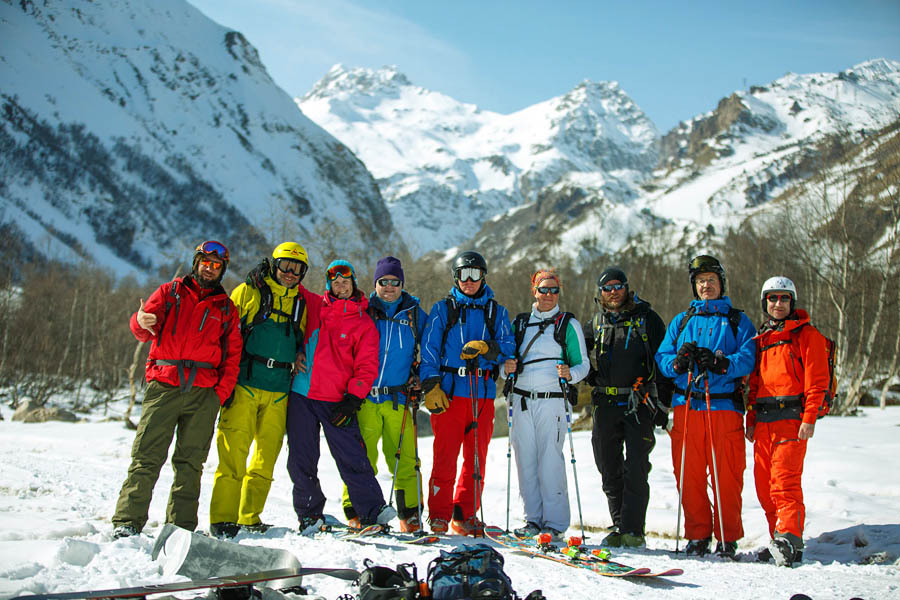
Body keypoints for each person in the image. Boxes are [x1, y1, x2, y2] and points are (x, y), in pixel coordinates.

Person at [111, 241, 242, 538]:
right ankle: (127, 522)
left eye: (216, 265)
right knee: (146, 456)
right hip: (165, 386)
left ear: (222, 270)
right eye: (205, 263)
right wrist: (139, 320)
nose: (209, 269)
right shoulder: (170, 293)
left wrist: (218, 395)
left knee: (190, 464)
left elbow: (233, 355)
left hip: (203, 393)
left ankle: (180, 528)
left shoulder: (226, 308)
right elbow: (143, 330)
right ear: (196, 263)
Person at [208, 242, 317, 538]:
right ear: (274, 264)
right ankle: (222, 519)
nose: (291, 273)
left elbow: (300, 337)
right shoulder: (249, 291)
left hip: (280, 389)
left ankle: (249, 517)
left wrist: (298, 354)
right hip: (246, 383)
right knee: (233, 456)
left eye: (298, 268)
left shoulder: (300, 303)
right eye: (286, 266)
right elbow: (226, 334)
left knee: (265, 460)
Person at [654, 255, 756, 558]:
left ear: (721, 284)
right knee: (688, 473)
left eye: (711, 280)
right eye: (701, 282)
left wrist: (723, 363)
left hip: (723, 406)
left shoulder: (738, 320)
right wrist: (678, 362)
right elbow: (663, 358)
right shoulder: (681, 320)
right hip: (687, 405)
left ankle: (727, 537)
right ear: (694, 287)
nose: (706, 286)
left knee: (727, 473)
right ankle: (697, 534)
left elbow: (750, 357)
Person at [286, 259, 395, 534]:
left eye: (345, 281)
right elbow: (285, 285)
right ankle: (310, 514)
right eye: (335, 282)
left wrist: (353, 398)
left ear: (354, 283)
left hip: (338, 400)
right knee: (302, 458)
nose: (341, 285)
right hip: (302, 394)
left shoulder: (364, 322)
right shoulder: (314, 305)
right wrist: (296, 350)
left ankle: (371, 511)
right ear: (328, 285)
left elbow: (367, 365)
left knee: (352, 456)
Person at [420, 251, 515, 536]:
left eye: (475, 274)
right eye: (464, 275)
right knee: (445, 456)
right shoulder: (443, 310)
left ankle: (465, 514)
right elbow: (429, 350)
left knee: (476, 458)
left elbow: (509, 346)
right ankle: (438, 514)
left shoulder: (496, 312)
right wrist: (431, 385)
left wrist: (489, 348)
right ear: (456, 277)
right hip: (449, 393)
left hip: (482, 394)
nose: (469, 281)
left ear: (484, 276)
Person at [583, 267, 672, 548]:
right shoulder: (596, 323)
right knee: (608, 466)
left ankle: (634, 530)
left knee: (635, 468)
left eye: (617, 286)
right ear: (600, 293)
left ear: (627, 287)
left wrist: (664, 406)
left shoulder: (648, 319)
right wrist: (587, 377)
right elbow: (575, 353)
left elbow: (664, 361)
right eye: (607, 288)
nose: (613, 292)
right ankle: (619, 523)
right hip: (605, 403)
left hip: (638, 403)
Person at [746, 276, 830, 567]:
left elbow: (818, 382)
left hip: (792, 420)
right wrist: (751, 419)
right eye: (772, 298)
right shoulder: (761, 339)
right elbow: (754, 385)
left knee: (784, 483)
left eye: (783, 298)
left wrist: (810, 418)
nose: (778, 304)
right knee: (763, 486)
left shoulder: (807, 335)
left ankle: (791, 539)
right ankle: (777, 540)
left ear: (792, 302)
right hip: (765, 422)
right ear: (764, 302)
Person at [341, 256, 429, 532]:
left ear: (402, 284)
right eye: (384, 282)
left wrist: (421, 379)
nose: (389, 287)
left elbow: (429, 351)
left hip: (398, 399)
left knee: (405, 459)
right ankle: (358, 510)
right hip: (365, 398)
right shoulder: (363, 310)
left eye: (395, 282)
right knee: (361, 457)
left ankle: (410, 514)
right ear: (375, 283)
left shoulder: (414, 314)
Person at [504, 269, 589, 541]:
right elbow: (505, 365)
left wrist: (571, 374)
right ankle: (533, 520)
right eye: (544, 289)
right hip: (521, 400)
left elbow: (583, 363)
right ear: (534, 291)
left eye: (554, 290)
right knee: (525, 459)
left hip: (552, 400)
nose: (549, 295)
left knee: (550, 460)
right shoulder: (520, 324)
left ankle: (555, 523)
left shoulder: (568, 325)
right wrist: (506, 369)